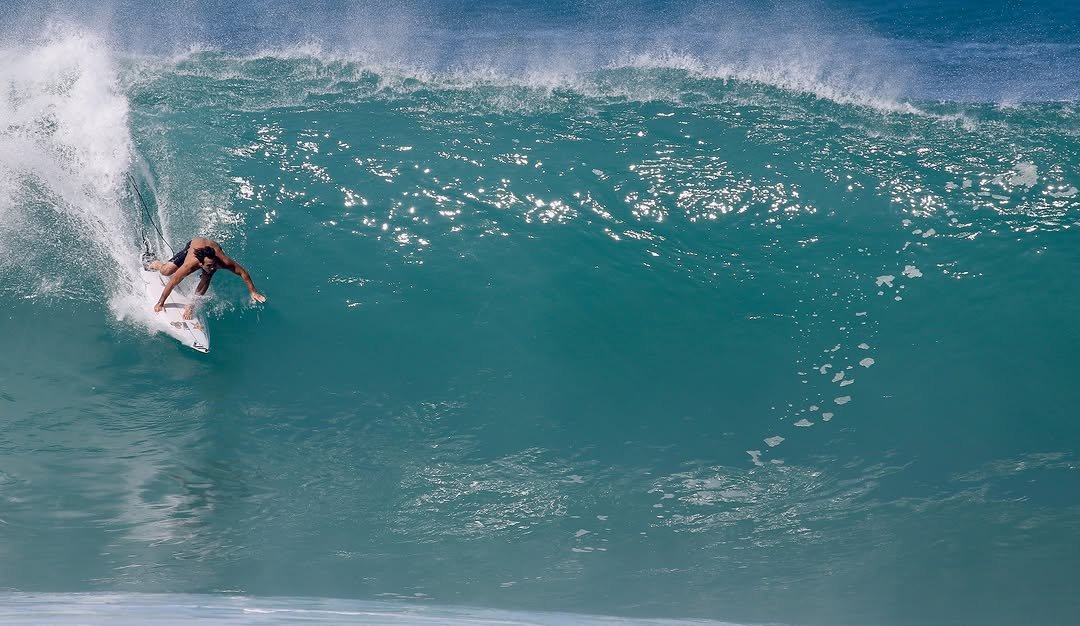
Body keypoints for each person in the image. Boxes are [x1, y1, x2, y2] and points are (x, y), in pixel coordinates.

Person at [145, 237, 266, 320]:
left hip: (213, 248)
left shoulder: (221, 262)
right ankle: (156, 263)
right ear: (200, 263)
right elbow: (172, 283)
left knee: (207, 277)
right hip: (194, 245)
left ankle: (190, 306)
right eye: (208, 265)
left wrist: (253, 291)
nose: (213, 267)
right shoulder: (189, 265)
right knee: (166, 271)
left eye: (214, 264)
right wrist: (160, 303)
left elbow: (243, 273)